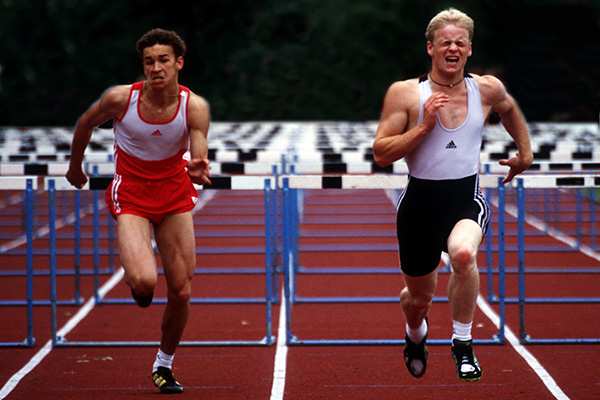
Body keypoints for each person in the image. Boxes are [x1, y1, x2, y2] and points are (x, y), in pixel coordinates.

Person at [373, 8, 533, 381]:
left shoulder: (486, 89)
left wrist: (525, 154)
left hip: (465, 198)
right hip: (419, 205)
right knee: (418, 299)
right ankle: (416, 335)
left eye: (460, 42)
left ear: (470, 50)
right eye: (445, 42)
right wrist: (425, 126)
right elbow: (381, 153)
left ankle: (462, 343)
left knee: (463, 254)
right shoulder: (406, 94)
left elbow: (509, 109)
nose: (453, 48)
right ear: (430, 48)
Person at [66, 28, 211, 394]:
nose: (156, 68)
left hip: (174, 193)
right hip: (131, 193)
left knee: (181, 292)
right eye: (149, 61)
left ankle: (163, 364)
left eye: (163, 60)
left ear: (178, 63)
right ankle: (139, 281)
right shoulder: (121, 99)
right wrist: (75, 166)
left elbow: (198, 145)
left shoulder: (194, 106)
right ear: (143, 66)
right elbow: (85, 122)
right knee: (145, 282)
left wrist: (197, 163)